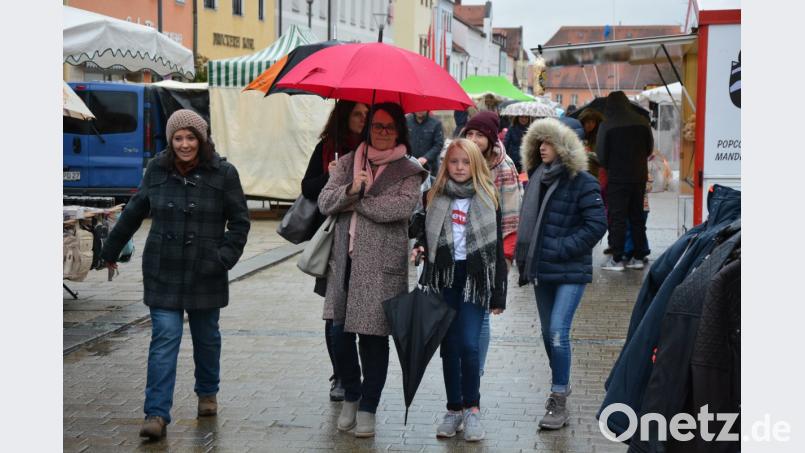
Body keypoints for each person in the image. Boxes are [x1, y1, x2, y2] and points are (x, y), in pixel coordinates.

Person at [100, 109, 251, 440]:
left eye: (191, 137)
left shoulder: (224, 173)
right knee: (165, 336)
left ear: (202, 139)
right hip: (163, 268)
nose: (185, 144)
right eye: (178, 138)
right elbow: (135, 210)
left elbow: (240, 222)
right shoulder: (157, 169)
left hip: (206, 270)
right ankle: (156, 413)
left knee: (206, 336)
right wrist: (110, 250)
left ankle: (207, 392)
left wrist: (223, 257)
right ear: (170, 140)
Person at [319, 102, 427, 438]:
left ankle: (369, 405)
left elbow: (399, 208)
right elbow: (325, 201)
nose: (381, 132)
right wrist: (351, 187)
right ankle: (351, 393)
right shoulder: (351, 161)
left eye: (388, 127)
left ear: (399, 132)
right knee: (338, 334)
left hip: (382, 266)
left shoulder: (410, 170)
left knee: (373, 338)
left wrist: (356, 199)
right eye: (376, 126)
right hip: (345, 262)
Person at [410, 138, 507, 442]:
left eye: (466, 162)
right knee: (449, 346)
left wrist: (498, 293)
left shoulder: (488, 197)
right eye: (454, 162)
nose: (460, 168)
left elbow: (497, 249)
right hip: (443, 277)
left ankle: (472, 409)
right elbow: (420, 230)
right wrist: (420, 245)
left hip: (474, 279)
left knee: (468, 343)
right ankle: (453, 409)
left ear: (476, 165)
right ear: (446, 165)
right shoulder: (433, 196)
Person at [516, 118, 607, 430]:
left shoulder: (584, 182)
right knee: (546, 333)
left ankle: (558, 398)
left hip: (570, 270)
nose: (542, 147)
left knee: (557, 331)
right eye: (539, 142)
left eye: (549, 142)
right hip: (542, 269)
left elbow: (597, 225)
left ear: (566, 145)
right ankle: (561, 382)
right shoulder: (537, 177)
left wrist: (559, 247)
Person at [300, 101, 369, 402]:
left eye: (367, 114)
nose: (362, 119)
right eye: (357, 113)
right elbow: (307, 187)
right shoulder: (328, 147)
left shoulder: (374, 150)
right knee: (334, 314)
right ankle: (340, 374)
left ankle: (356, 373)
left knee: (361, 312)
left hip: (366, 241)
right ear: (344, 116)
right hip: (332, 240)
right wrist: (332, 177)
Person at [460, 111, 522, 377]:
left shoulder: (503, 167)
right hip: (460, 247)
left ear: (490, 138)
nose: (473, 139)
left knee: (482, 311)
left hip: (490, 249)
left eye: (479, 135)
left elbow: (511, 217)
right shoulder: (459, 159)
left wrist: (505, 259)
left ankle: (477, 369)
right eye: (470, 133)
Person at [595, 91, 653, 271]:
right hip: (639, 177)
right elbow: (649, 149)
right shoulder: (643, 122)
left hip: (618, 178)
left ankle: (617, 259)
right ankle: (638, 257)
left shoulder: (607, 124)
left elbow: (601, 155)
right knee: (637, 216)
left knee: (617, 217)